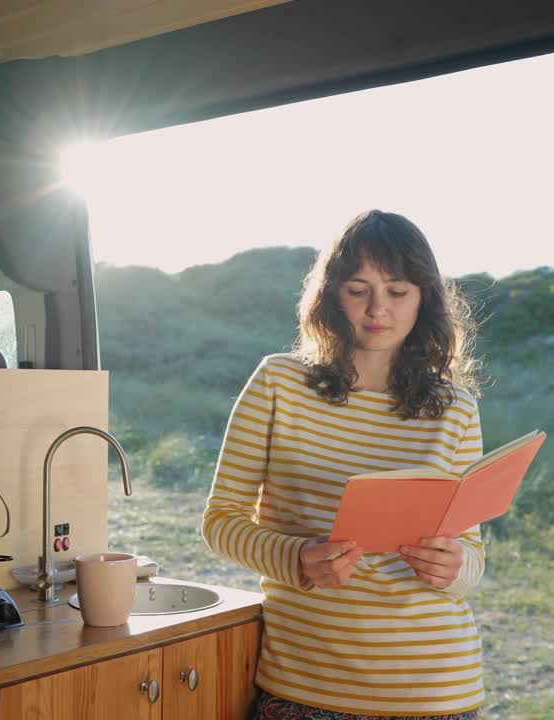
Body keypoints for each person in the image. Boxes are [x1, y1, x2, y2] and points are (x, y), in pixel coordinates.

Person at [201, 209, 487, 719]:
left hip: (438, 691)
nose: (378, 309)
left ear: (424, 299)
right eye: (359, 289)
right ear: (332, 294)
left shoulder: (456, 407)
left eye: (397, 291)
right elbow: (221, 520)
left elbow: (472, 555)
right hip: (308, 687)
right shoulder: (278, 384)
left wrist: (454, 568)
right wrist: (297, 558)